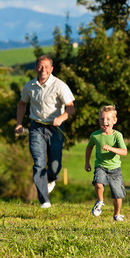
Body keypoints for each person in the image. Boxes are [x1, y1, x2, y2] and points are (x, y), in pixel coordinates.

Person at [15, 55, 75, 208]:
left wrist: (61, 118)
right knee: (39, 163)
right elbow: (22, 104)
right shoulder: (29, 86)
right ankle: (44, 201)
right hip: (36, 128)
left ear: (52, 69)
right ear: (36, 68)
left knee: (55, 166)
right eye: (40, 67)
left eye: (47, 67)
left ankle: (51, 178)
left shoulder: (60, 85)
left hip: (55, 128)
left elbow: (71, 107)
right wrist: (19, 123)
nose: (43, 70)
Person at [85, 105, 128, 221]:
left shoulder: (117, 135)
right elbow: (89, 148)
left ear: (114, 120)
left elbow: (124, 152)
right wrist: (87, 163)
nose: (105, 122)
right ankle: (100, 201)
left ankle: (116, 215)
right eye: (102, 119)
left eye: (108, 119)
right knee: (98, 184)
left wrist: (111, 148)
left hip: (115, 169)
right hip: (101, 167)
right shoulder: (95, 135)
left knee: (118, 196)